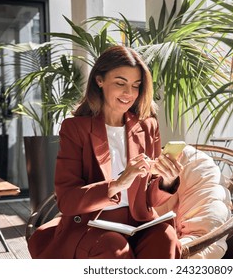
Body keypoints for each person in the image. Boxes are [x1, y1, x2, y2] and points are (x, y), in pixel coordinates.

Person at [27, 45, 183, 259]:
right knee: (114, 246)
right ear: (99, 81)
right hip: (92, 225)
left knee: (165, 237)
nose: (129, 93)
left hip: (139, 222)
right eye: (120, 83)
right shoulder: (75, 129)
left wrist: (167, 181)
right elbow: (67, 200)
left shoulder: (148, 127)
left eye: (136, 85)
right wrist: (116, 185)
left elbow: (151, 200)